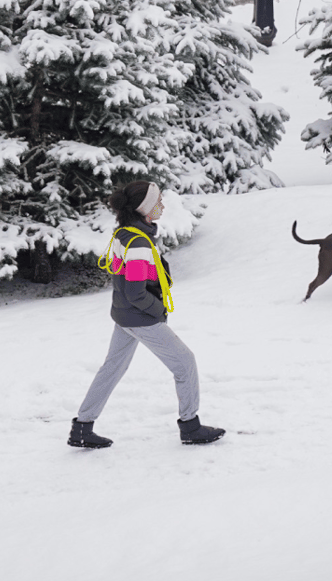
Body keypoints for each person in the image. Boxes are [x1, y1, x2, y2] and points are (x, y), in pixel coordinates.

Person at [68, 180, 225, 448]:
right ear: (145, 208)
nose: (162, 206)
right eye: (158, 202)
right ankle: (190, 426)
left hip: (123, 315)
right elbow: (135, 292)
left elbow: (122, 281)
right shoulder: (139, 243)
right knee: (185, 363)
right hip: (140, 317)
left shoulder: (124, 233)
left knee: (112, 369)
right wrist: (159, 311)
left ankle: (82, 428)